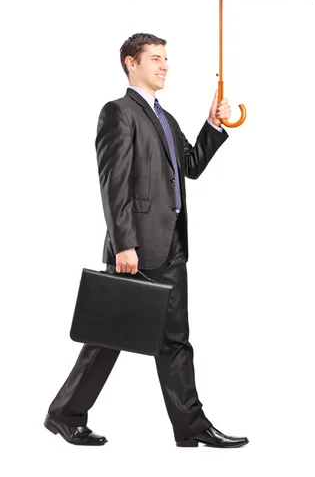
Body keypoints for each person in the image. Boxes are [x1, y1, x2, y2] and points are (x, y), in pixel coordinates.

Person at [44, 32, 249, 448]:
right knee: (109, 337)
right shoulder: (117, 113)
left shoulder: (166, 118)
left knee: (175, 340)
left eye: (167, 59)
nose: (164, 65)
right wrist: (123, 244)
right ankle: (64, 414)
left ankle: (191, 427)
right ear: (130, 63)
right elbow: (113, 184)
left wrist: (213, 123)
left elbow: (190, 167)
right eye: (155, 58)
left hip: (171, 245)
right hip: (135, 247)